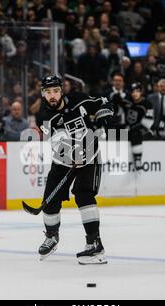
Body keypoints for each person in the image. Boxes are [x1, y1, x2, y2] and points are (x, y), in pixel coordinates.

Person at [35, 75, 115, 264]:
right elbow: (54, 143)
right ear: (43, 94)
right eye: (48, 92)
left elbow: (105, 103)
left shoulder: (81, 99)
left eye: (55, 91)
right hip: (63, 161)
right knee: (49, 200)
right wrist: (72, 156)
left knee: (84, 195)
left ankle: (95, 245)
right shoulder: (44, 117)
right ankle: (52, 236)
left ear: (61, 91)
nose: (52, 95)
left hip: (90, 158)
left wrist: (105, 114)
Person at [125, 82, 153, 169]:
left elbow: (148, 122)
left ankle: (138, 159)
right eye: (133, 92)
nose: (135, 94)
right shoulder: (127, 102)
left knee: (136, 134)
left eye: (137, 91)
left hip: (143, 130)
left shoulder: (147, 104)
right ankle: (111, 160)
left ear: (141, 92)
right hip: (128, 130)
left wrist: (131, 128)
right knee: (112, 133)